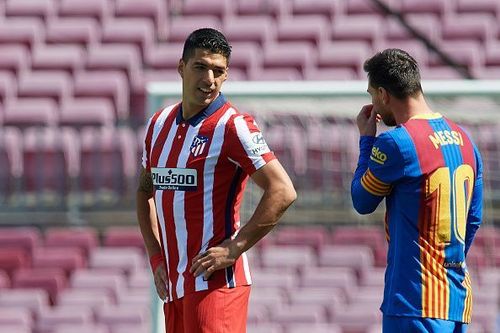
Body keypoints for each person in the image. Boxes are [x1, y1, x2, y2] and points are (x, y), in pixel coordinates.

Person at [136, 28, 297, 333]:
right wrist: (156, 256)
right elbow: (145, 191)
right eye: (200, 67)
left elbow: (283, 190)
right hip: (175, 286)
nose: (209, 78)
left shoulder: (233, 126)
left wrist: (235, 248)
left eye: (218, 71)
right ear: (181, 67)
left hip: (216, 287)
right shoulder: (158, 125)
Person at [351, 49, 483, 333]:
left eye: (372, 93)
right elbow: (473, 219)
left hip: (414, 301)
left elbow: (361, 200)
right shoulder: (465, 140)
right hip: (456, 301)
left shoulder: (397, 143)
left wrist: (366, 141)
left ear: (384, 95)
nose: (372, 103)